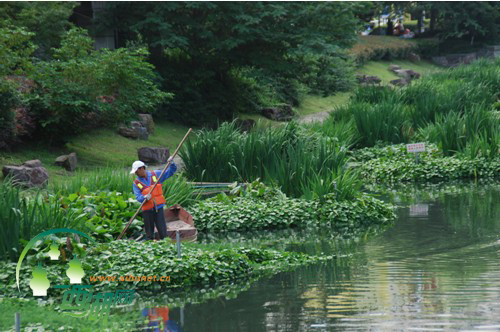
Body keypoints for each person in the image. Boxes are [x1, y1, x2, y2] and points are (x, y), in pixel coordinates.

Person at [131, 158, 177, 240]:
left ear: (142, 168)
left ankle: (165, 245)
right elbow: (138, 197)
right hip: (147, 211)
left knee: (163, 231)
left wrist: (171, 163)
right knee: (149, 234)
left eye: (136, 171)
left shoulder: (156, 175)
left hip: (158, 208)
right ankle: (150, 247)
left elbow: (170, 172)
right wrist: (144, 198)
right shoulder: (136, 183)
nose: (136, 174)